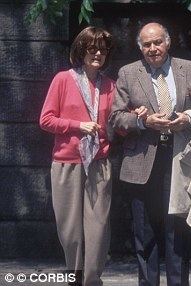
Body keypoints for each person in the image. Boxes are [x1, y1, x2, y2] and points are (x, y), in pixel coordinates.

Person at [109, 22, 191, 286]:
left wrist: (187, 119)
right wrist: (143, 122)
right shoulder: (128, 73)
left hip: (180, 159)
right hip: (141, 161)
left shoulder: (190, 69)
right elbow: (115, 119)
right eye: (146, 44)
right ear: (140, 47)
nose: (152, 48)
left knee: (178, 233)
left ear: (168, 42)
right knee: (144, 234)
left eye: (157, 42)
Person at [39, 26, 115, 286]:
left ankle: (92, 280)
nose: (98, 54)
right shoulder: (63, 79)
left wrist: (135, 115)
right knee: (70, 230)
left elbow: (116, 121)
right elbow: (46, 120)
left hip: (98, 163)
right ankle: (75, 276)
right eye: (92, 49)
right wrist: (77, 125)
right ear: (81, 50)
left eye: (103, 50)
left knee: (98, 229)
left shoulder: (110, 86)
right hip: (67, 162)